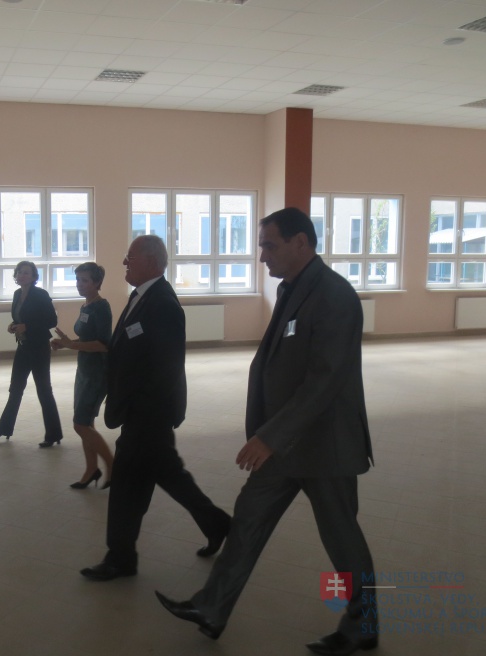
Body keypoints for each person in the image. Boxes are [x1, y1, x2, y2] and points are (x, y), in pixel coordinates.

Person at [155, 208, 377, 655]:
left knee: (341, 540)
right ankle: (212, 607)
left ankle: (363, 625)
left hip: (324, 446)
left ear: (301, 243)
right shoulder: (292, 288)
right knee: (249, 519)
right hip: (284, 445)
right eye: (261, 246)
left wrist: (270, 436)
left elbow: (325, 381)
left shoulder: (334, 295)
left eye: (269, 245)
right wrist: (272, 434)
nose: (262, 256)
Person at [80, 235, 231, 582]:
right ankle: (218, 525)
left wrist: (142, 413)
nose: (124, 262)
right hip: (144, 414)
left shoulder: (162, 303)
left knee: (127, 487)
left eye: (130, 257)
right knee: (166, 476)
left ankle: (120, 558)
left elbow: (165, 366)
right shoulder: (142, 296)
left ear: (150, 261)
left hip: (147, 414)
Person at [51, 262, 115, 490]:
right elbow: (87, 339)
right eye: (77, 279)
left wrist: (72, 345)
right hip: (84, 370)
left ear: (97, 283)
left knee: (80, 424)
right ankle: (91, 470)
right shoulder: (86, 305)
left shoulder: (101, 307)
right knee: (86, 423)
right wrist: (67, 343)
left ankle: (112, 466)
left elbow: (103, 344)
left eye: (84, 280)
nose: (79, 284)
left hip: (97, 373)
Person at [0, 261, 64, 448]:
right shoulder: (17, 294)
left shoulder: (41, 294)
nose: (22, 275)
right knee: (15, 388)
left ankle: (53, 434)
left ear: (33, 276)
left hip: (39, 347)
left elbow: (51, 320)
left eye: (26, 273)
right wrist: (13, 325)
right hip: (23, 346)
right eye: (20, 272)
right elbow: (19, 317)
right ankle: (4, 428)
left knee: (44, 390)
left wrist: (27, 326)